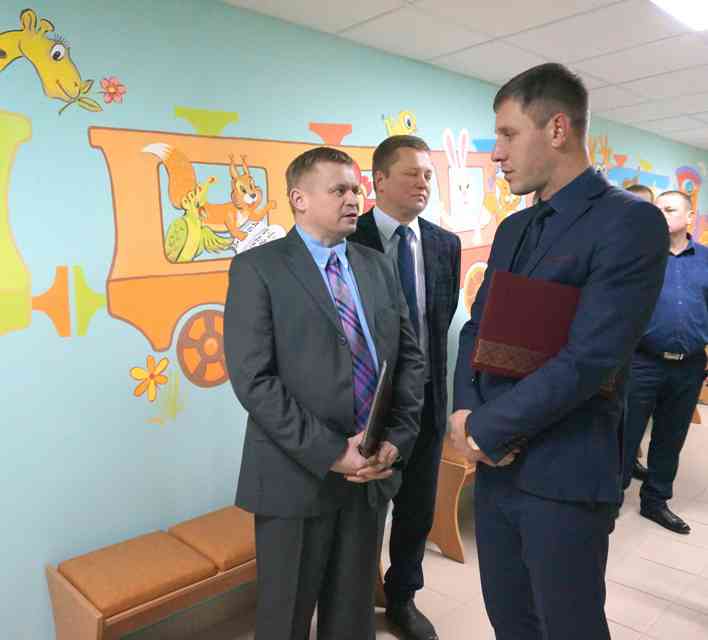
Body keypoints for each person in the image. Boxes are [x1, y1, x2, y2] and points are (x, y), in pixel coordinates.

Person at [450, 63, 668, 640]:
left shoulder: (629, 222)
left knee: (568, 626)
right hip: (495, 473)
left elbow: (590, 358)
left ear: (556, 129)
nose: (496, 153)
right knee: (510, 620)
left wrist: (485, 429)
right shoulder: (514, 230)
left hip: (564, 472)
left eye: (507, 133)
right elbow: (477, 330)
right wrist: (463, 411)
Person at [224, 146, 425, 640]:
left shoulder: (375, 266)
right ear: (299, 199)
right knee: (285, 619)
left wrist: (396, 439)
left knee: (352, 616)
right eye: (339, 190)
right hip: (296, 478)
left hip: (370, 476)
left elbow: (408, 359)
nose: (354, 199)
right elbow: (254, 381)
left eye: (356, 189)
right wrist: (334, 452)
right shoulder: (258, 269)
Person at [349, 135, 461, 640]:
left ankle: (402, 598)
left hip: (428, 400)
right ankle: (352, 600)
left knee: (417, 508)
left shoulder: (443, 244)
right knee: (364, 510)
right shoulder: (349, 238)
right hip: (366, 406)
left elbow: (439, 321)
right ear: (379, 180)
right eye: (412, 173)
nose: (423, 183)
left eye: (429, 175)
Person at [621, 190, 708, 534]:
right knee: (625, 435)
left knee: (671, 437)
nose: (661, 214)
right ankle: (609, 500)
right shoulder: (639, 256)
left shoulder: (705, 259)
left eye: (669, 209)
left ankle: (655, 501)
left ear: (690, 217)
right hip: (643, 362)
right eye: (657, 209)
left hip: (689, 366)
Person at [624, 182, 657, 483]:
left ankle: (632, 458)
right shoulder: (611, 245)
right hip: (617, 352)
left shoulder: (659, 250)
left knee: (636, 417)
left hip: (650, 353)